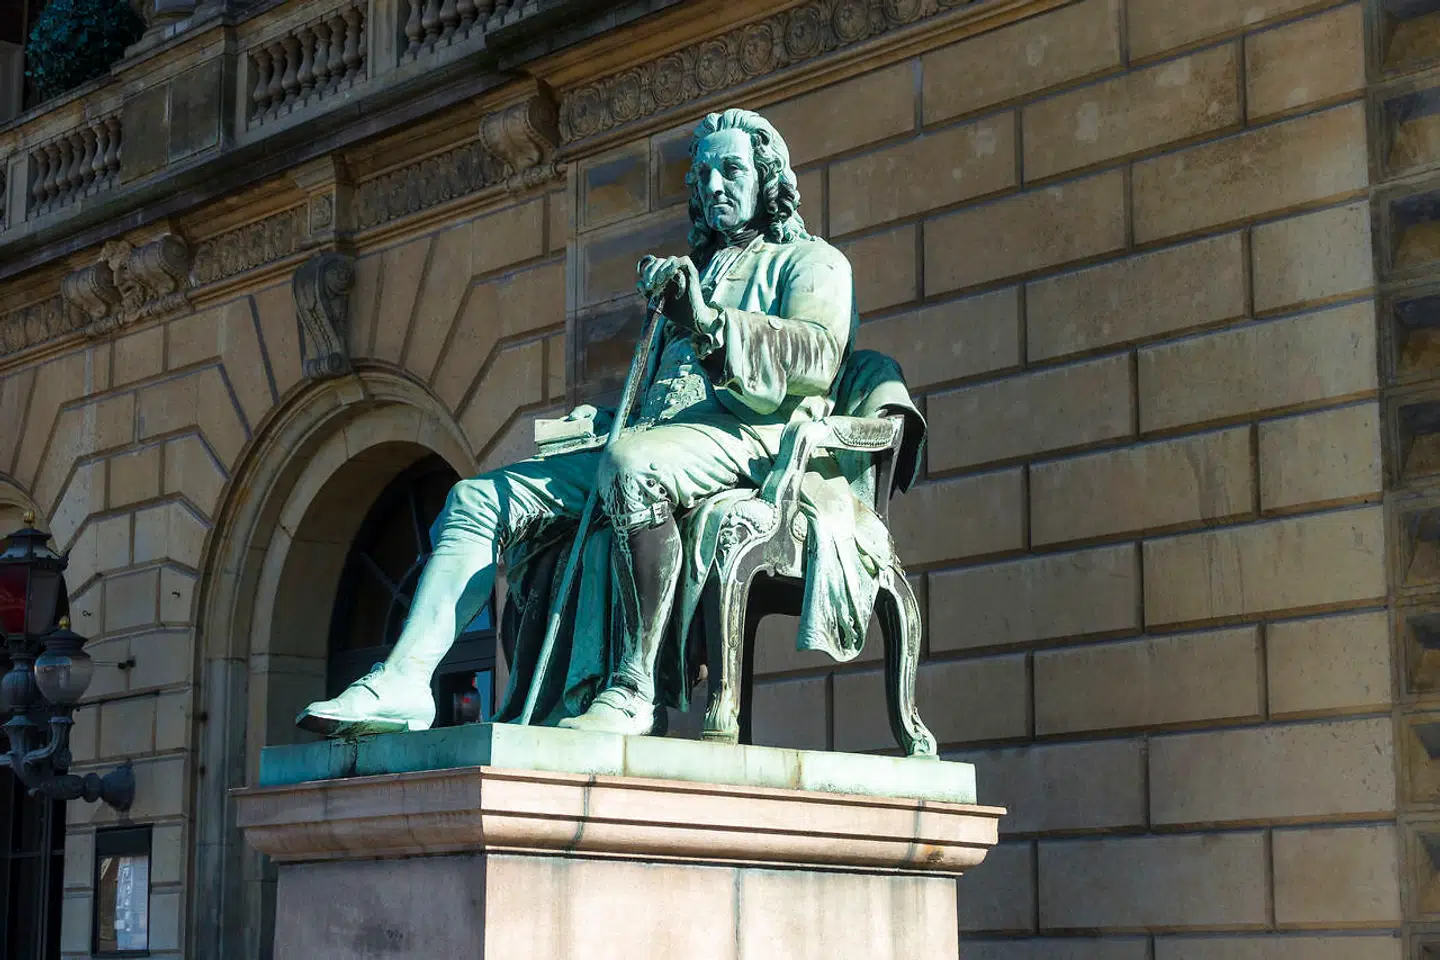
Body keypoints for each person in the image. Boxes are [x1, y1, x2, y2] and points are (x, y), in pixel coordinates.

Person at [296, 108, 857, 738]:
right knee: (476, 498)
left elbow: (817, 355)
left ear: (767, 178)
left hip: (748, 439)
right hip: (659, 439)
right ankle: (404, 680)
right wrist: (607, 414)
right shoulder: (698, 270)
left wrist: (706, 322)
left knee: (630, 468)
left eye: (732, 170)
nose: (715, 187)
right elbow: (655, 392)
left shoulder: (813, 263)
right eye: (703, 177)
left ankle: (636, 688)